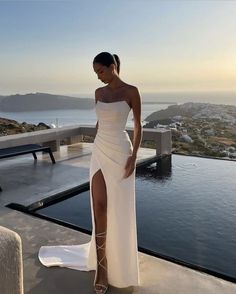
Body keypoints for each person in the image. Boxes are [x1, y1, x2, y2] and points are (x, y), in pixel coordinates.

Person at [38, 52, 142, 294]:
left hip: (121, 151)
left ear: (113, 66)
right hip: (100, 149)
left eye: (101, 71)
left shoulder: (131, 92)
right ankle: (102, 267)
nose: (99, 77)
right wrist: (97, 139)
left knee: (119, 208)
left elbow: (138, 126)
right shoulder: (99, 93)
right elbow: (101, 121)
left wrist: (134, 156)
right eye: (96, 74)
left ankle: (121, 258)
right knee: (99, 207)